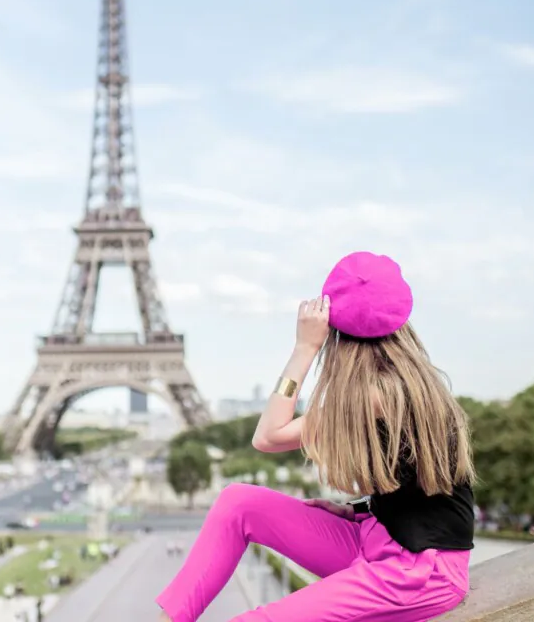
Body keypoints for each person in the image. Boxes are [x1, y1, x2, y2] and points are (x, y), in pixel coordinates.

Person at [156, 251, 475, 621]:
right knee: (237, 503)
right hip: (379, 539)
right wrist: (359, 510)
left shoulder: (374, 396)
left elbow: (268, 436)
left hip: (418, 573)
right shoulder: (408, 386)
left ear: (334, 330)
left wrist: (305, 348)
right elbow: (417, 487)